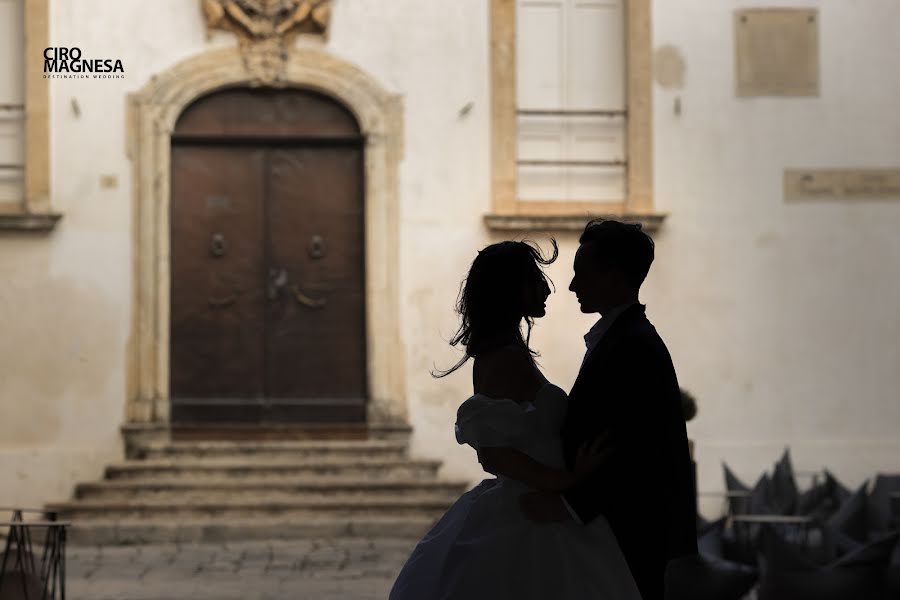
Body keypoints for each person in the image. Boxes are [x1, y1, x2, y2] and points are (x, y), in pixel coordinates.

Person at [388, 238, 642, 600]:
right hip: (534, 514)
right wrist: (565, 480)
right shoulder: (506, 359)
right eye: (534, 278)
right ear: (511, 290)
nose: (547, 288)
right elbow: (494, 453)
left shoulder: (506, 354)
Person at [518, 219, 698, 600]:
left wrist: (568, 505)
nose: (571, 286)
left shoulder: (632, 346)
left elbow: (635, 447)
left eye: (581, 274)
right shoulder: (627, 338)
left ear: (614, 276)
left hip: (628, 531)